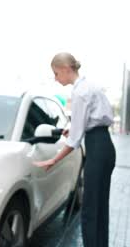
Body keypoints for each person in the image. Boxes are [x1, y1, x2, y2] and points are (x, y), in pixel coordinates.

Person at [34, 52, 116, 247]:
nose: (55, 78)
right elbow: (93, 121)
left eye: (55, 73)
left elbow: (74, 141)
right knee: (99, 208)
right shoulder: (90, 86)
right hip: (105, 145)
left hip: (96, 148)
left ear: (66, 69)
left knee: (89, 210)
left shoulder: (79, 92)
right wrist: (73, 129)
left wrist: (53, 160)